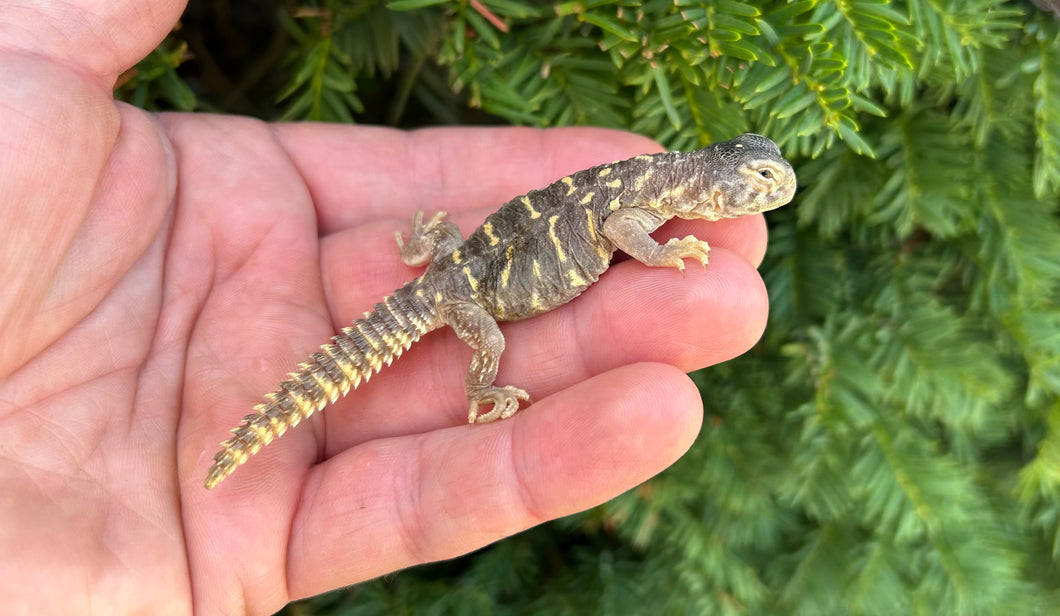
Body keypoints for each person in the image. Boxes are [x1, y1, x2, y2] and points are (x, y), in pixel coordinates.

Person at [0, 1, 775, 613]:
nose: (766, 187)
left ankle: (428, 243)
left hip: (461, 264)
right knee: (490, 351)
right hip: (473, 289)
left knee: (472, 287)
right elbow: (613, 223)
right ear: (717, 180)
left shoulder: (657, 175)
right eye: (759, 181)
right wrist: (665, 253)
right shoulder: (649, 194)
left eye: (765, 180)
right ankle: (478, 394)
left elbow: (611, 215)